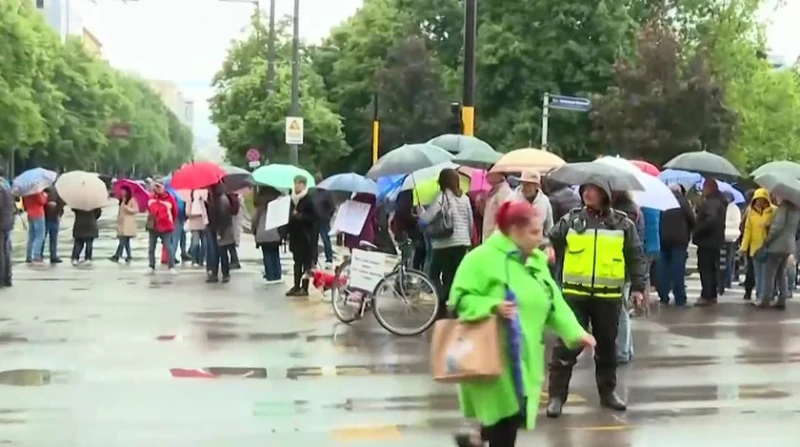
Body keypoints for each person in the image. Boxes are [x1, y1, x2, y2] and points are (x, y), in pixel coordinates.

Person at [450, 200, 595, 447]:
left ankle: (476, 439)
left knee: (511, 416)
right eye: (535, 232)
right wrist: (491, 306)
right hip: (491, 357)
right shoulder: (480, 259)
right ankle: (481, 438)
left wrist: (576, 332)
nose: (541, 239)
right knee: (504, 422)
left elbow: (553, 302)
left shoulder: (536, 262)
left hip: (525, 359)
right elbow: (459, 300)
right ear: (515, 231)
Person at [545, 180, 646, 417]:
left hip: (608, 297)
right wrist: (548, 247)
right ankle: (556, 397)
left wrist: (639, 287)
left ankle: (608, 393)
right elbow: (549, 238)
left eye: (593, 189)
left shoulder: (622, 223)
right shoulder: (571, 220)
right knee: (567, 348)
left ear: (606, 194)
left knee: (607, 349)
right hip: (574, 296)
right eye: (585, 190)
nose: (587, 193)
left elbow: (636, 256)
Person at [419, 168, 473, 319]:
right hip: (462, 243)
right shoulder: (465, 198)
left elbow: (427, 218)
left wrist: (420, 213)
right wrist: (468, 240)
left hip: (443, 243)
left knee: (433, 275)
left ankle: (441, 303)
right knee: (453, 275)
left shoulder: (442, 197)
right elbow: (470, 221)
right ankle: (453, 306)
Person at [609, 191, 642, 365]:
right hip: (626, 266)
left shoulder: (623, 216)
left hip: (621, 266)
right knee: (622, 309)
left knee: (620, 310)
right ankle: (626, 349)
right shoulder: (634, 210)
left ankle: (622, 350)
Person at [755, 194, 799, 310]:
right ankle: (782, 299)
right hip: (788, 244)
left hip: (777, 244)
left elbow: (777, 227)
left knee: (769, 274)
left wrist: (768, 239)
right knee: (781, 273)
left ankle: (766, 299)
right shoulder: (796, 210)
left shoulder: (783, 208)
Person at [657, 184, 695, 306]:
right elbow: (692, 220)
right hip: (679, 240)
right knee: (678, 270)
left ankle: (663, 296)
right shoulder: (683, 202)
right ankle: (679, 298)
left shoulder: (661, 202)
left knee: (664, 269)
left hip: (663, 239)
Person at [692, 178, 728, 306]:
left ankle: (706, 295)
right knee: (712, 268)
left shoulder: (711, 203)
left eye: (704, 188)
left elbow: (710, 219)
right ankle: (712, 294)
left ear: (709, 188)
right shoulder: (720, 202)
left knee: (705, 268)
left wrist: (697, 229)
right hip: (715, 240)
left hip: (707, 240)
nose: (703, 190)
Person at [284, 175, 317, 296]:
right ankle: (296, 286)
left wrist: (301, 216)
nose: (296, 186)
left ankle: (305, 288)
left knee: (306, 263)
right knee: (296, 262)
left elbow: (314, 217)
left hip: (306, 237)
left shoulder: (308, 199)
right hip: (295, 235)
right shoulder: (292, 199)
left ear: (303, 185)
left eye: (298, 184)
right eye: (295, 183)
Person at [740, 188, 774, 301]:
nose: (760, 202)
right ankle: (759, 295)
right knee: (757, 273)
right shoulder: (751, 211)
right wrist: (744, 247)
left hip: (768, 246)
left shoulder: (773, 211)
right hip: (754, 247)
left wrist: (768, 226)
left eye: (762, 199)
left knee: (766, 274)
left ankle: (766, 296)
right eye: (758, 200)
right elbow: (747, 230)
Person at [507, 170, 554, 237]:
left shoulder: (544, 200)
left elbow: (549, 226)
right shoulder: (511, 199)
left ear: (537, 186)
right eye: (524, 184)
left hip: (537, 243)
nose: (526, 187)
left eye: (529, 185)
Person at [146, 179, 178, 274]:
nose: (158, 189)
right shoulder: (151, 198)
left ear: (164, 187)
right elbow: (149, 209)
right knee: (151, 247)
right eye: (156, 186)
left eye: (159, 186)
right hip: (153, 226)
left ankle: (171, 266)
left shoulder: (169, 198)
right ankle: (151, 265)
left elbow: (174, 212)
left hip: (166, 226)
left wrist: (170, 221)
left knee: (168, 247)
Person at [206, 184, 236, 283]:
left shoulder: (221, 200)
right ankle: (219, 274)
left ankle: (224, 274)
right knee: (217, 253)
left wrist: (220, 232)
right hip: (218, 228)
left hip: (221, 229)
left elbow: (222, 216)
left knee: (221, 253)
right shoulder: (216, 198)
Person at [253, 187, 283, 284]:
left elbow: (254, 220)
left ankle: (270, 274)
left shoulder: (259, 205)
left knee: (267, 254)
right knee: (275, 253)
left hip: (262, 233)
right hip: (275, 233)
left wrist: (255, 231)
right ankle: (277, 274)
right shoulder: (277, 204)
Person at [313, 173, 336, 268]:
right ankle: (314, 259)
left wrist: (327, 217)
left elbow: (332, 207)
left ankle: (329, 258)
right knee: (314, 240)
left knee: (326, 240)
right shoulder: (314, 193)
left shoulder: (326, 193)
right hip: (315, 220)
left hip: (323, 220)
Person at [481, 171, 512, 243]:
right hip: (488, 238)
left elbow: (505, 217)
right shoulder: (493, 191)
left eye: (490, 172)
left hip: (496, 240)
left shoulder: (504, 192)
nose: (487, 175)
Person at [110, 186, 138, 263]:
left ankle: (117, 255)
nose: (122, 193)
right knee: (125, 241)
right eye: (121, 191)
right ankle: (129, 256)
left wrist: (127, 208)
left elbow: (136, 210)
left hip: (128, 223)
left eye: (123, 191)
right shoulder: (122, 200)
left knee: (123, 240)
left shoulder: (132, 200)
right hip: (122, 223)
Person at [721, 191, 742, 294]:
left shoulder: (734, 209)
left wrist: (724, 223)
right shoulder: (722, 207)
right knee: (723, 260)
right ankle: (723, 280)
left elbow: (736, 222)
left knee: (729, 259)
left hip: (731, 236)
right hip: (722, 236)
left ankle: (727, 280)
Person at [22, 190, 47, 265]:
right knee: (40, 236)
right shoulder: (37, 191)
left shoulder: (26, 192)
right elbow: (42, 201)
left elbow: (24, 205)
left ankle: (29, 255)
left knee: (31, 236)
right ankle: (36, 255)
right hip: (38, 213)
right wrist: (44, 195)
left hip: (30, 213)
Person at [41, 187, 64, 264]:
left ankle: (40, 254)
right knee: (52, 239)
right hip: (52, 217)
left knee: (43, 238)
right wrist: (59, 213)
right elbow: (61, 202)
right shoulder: (57, 190)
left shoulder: (41, 190)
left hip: (46, 217)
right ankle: (53, 256)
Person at [186, 190, 208, 267]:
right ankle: (194, 260)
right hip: (194, 224)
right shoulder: (190, 199)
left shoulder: (205, 198)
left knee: (205, 243)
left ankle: (202, 260)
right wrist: (195, 212)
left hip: (204, 224)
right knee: (195, 243)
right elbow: (187, 212)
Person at [0, 170, 14, 287]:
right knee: (6, 250)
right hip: (7, 222)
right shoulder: (6, 185)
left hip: (1, 222)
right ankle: (7, 277)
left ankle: (2, 277)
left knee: (1, 251)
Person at [226, 192, 242, 270]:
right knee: (230, 243)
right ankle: (234, 260)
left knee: (229, 243)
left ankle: (234, 261)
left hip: (230, 223)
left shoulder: (230, 198)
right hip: (233, 223)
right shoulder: (235, 198)